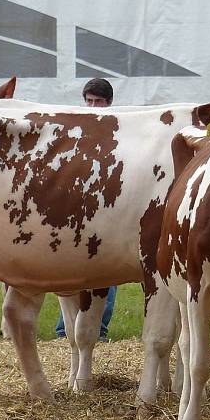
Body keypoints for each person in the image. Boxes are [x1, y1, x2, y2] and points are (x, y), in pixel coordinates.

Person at [55, 78, 117, 342]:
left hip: (110, 210)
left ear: (109, 103)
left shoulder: (117, 130)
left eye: (99, 102)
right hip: (79, 210)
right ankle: (64, 329)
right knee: (72, 268)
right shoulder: (76, 129)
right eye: (89, 101)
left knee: (108, 269)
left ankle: (98, 328)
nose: (93, 106)